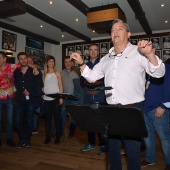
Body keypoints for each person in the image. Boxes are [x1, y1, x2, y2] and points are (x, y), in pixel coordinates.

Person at [70, 19, 165, 170]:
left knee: (132, 150)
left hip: (132, 108)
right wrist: (82, 63)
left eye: (119, 29)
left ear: (128, 34)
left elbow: (159, 73)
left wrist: (150, 55)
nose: (115, 32)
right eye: (113, 30)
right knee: (112, 149)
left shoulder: (138, 52)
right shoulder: (106, 58)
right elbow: (92, 77)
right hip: (111, 109)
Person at [141, 47, 170, 170]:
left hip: (158, 110)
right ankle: (150, 158)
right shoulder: (144, 69)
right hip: (144, 109)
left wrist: (163, 106)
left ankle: (169, 162)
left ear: (154, 53)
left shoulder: (165, 67)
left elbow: (169, 88)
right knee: (148, 137)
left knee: (164, 138)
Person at [80, 44, 106, 155]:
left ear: (98, 52)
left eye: (95, 50)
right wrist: (89, 83)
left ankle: (102, 145)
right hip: (88, 95)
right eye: (91, 50)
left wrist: (96, 82)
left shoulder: (103, 63)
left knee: (101, 121)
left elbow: (106, 80)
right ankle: (91, 143)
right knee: (89, 120)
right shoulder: (85, 65)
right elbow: (82, 82)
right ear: (88, 52)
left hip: (100, 95)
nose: (93, 52)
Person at [14, 52, 42, 148]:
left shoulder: (34, 71)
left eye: (25, 58)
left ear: (27, 59)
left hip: (31, 100)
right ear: (19, 61)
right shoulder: (16, 72)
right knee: (18, 120)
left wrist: (29, 92)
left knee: (30, 120)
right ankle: (21, 139)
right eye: (21, 59)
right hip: (19, 99)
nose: (23, 60)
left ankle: (28, 140)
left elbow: (39, 85)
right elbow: (17, 84)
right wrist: (22, 91)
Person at [0, 51, 20, 147]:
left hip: (10, 98)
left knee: (9, 119)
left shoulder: (12, 67)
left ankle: (9, 138)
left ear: (4, 59)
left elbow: (24, 65)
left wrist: (34, 67)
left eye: (0, 58)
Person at [43, 55, 63, 144]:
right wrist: (42, 90)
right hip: (46, 99)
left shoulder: (57, 73)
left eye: (52, 61)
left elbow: (60, 86)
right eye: (49, 61)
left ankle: (57, 137)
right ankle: (47, 137)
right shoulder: (44, 73)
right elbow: (43, 86)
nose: (51, 63)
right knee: (47, 119)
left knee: (57, 118)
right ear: (47, 63)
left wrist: (61, 97)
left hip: (55, 99)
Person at [60, 56, 79, 138]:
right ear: (64, 64)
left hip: (73, 98)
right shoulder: (61, 73)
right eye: (66, 62)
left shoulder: (76, 73)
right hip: (64, 98)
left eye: (69, 62)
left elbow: (79, 88)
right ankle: (61, 131)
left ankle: (71, 132)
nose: (67, 63)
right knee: (62, 115)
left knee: (74, 117)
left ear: (72, 63)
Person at [27, 56, 43, 134]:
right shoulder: (25, 71)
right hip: (28, 95)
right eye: (28, 61)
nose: (29, 63)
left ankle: (34, 128)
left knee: (35, 113)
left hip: (36, 95)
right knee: (30, 113)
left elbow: (40, 81)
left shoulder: (37, 70)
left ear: (33, 62)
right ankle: (31, 128)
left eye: (30, 61)